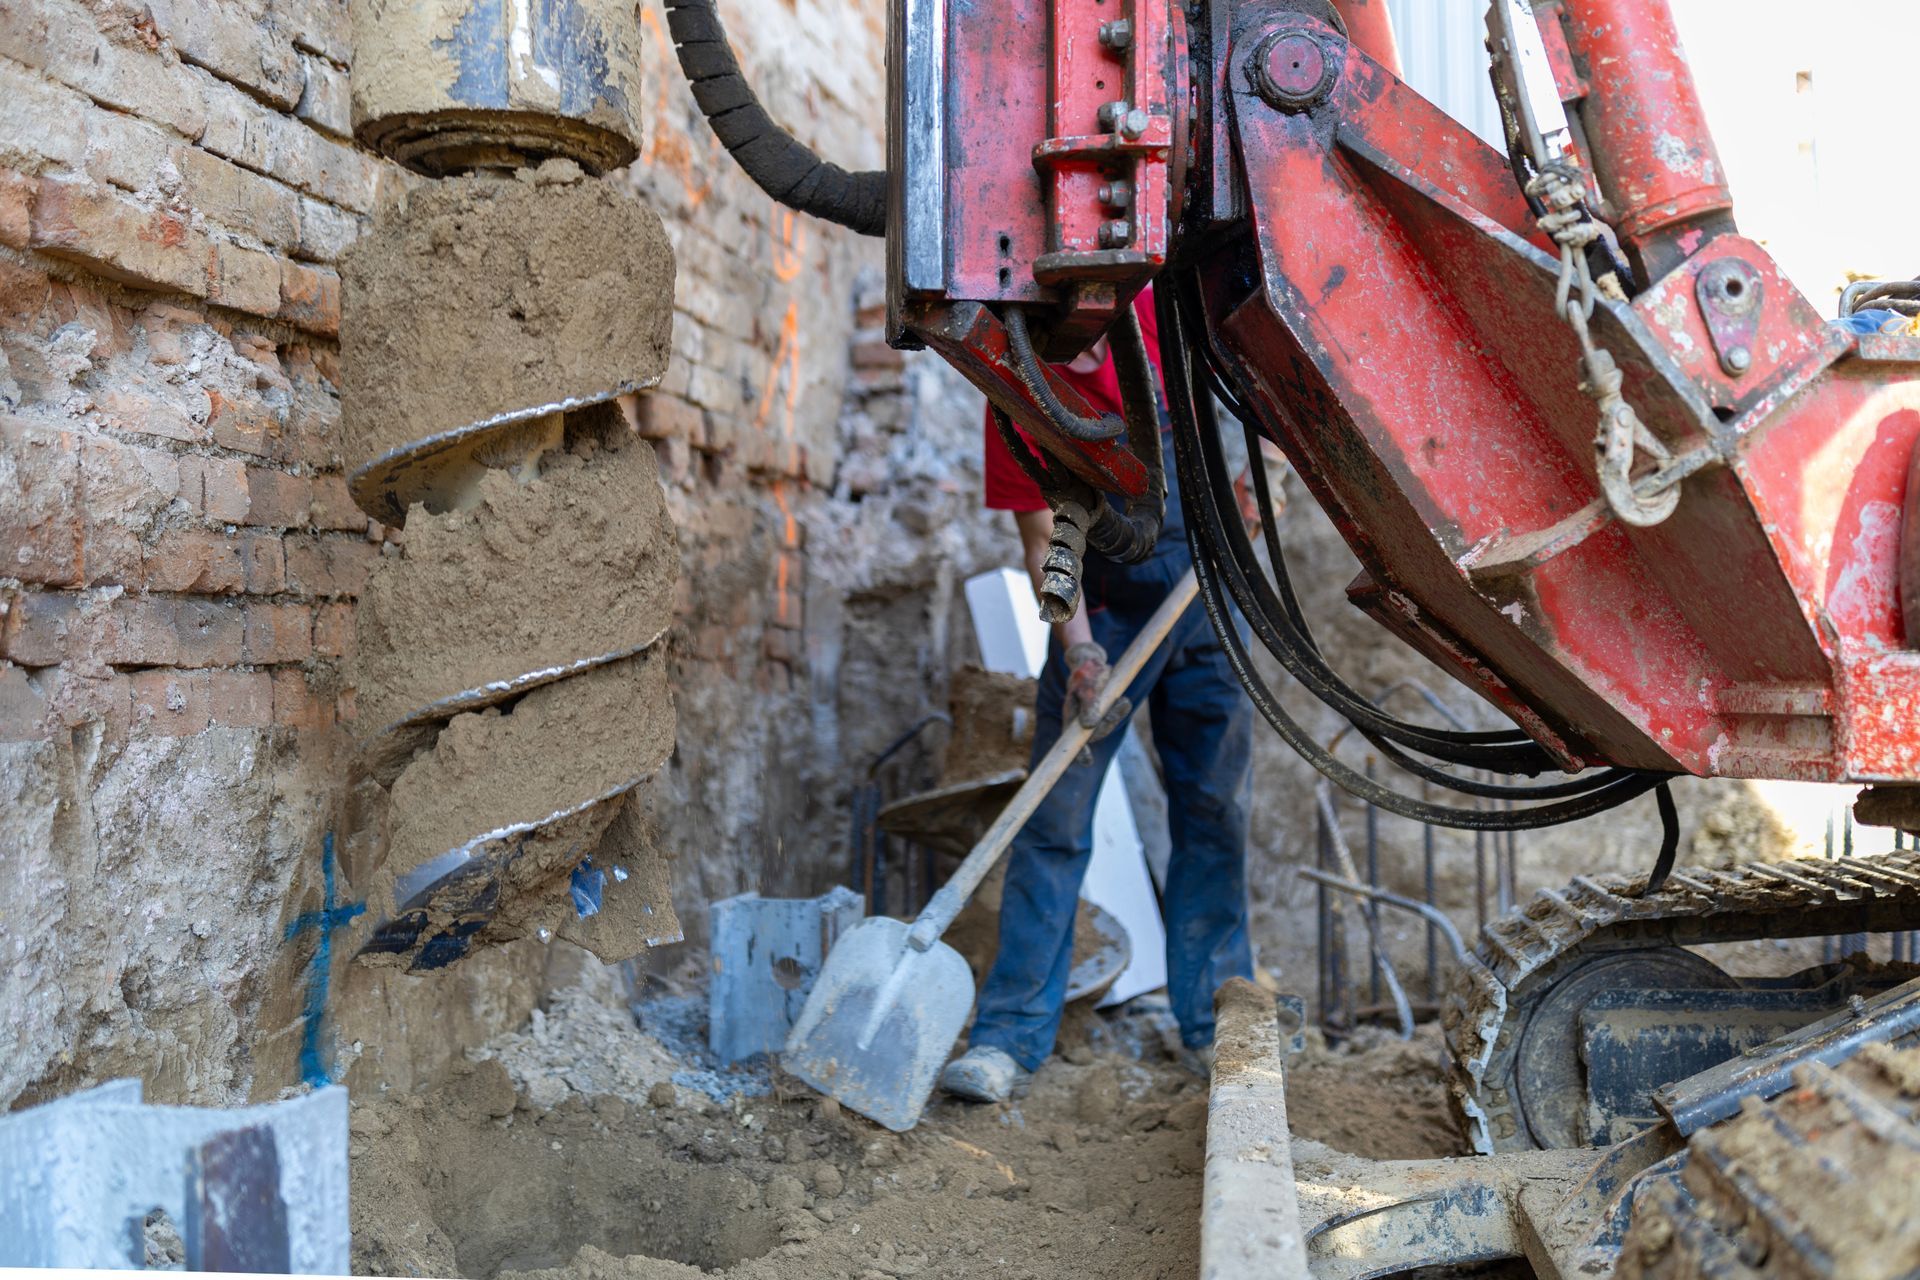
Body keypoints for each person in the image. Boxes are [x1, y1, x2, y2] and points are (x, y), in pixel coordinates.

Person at [939, 286, 1257, 1102]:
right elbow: (1046, 537)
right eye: (1063, 343)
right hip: (1105, 609)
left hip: (1208, 592)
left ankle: (1215, 1027)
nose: (1081, 355)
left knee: (1213, 810)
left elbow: (1263, 378)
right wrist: (1079, 654)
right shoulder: (1009, 381)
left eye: (1091, 336)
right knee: (1054, 820)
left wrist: (1263, 481)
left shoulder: (1158, 308)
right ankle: (1008, 1038)